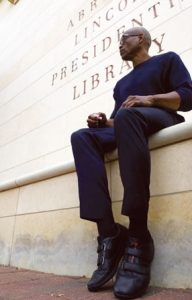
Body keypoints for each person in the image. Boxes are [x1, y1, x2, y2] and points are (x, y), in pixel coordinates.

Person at [71, 26, 192, 299]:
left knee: (129, 117)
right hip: (130, 123)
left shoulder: (167, 60)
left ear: (143, 40)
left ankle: (138, 234)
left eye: (125, 38)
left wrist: (149, 99)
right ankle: (110, 234)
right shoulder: (121, 85)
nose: (120, 44)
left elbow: (187, 97)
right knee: (81, 137)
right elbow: (120, 120)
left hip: (162, 116)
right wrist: (103, 121)